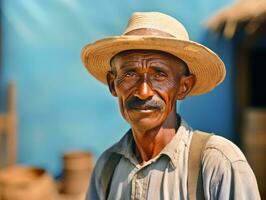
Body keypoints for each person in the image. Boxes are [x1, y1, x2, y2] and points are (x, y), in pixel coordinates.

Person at [81, 12, 260, 200]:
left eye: (159, 74)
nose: (143, 92)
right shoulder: (107, 168)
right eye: (129, 74)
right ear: (112, 84)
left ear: (183, 87)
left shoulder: (217, 163)